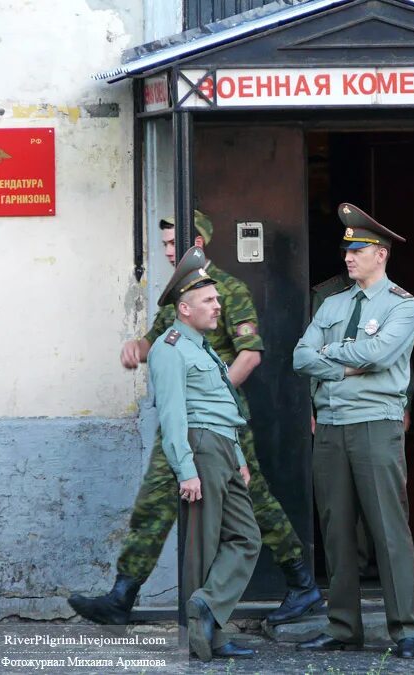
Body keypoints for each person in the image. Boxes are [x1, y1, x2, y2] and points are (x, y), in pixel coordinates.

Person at [67, 212, 321, 628]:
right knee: (153, 503)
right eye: (165, 244)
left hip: (219, 426)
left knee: (254, 504)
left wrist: (214, 400)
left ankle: (301, 584)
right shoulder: (177, 297)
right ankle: (122, 595)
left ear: (199, 244)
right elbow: (156, 343)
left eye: (174, 244)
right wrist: (136, 346)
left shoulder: (226, 290)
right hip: (179, 423)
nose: (168, 251)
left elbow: (250, 354)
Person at [293, 203, 414, 659]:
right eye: (347, 249)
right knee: (336, 532)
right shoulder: (331, 304)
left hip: (375, 425)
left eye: (359, 249)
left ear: (381, 254)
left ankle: (407, 629)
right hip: (330, 428)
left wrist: (332, 360)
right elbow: (299, 357)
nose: (348, 256)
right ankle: (343, 627)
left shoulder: (401, 304)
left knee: (389, 528)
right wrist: (347, 364)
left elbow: (382, 355)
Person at [148, 245, 260, 661]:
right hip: (200, 449)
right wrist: (185, 470)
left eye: (216, 299)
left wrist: (239, 457)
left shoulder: (201, 346)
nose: (218, 306)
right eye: (209, 300)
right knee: (203, 545)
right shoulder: (170, 348)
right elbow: (174, 415)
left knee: (246, 538)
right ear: (184, 308)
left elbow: (221, 407)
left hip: (222, 449)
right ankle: (202, 640)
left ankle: (207, 607)